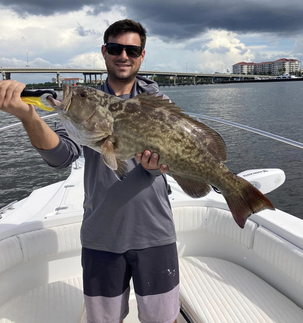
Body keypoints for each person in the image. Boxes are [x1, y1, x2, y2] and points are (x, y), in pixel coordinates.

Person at [0, 19, 179, 323]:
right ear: (104, 51)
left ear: (142, 55)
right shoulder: (83, 103)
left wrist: (157, 167)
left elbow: (175, 155)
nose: (124, 55)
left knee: (164, 319)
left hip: (155, 233)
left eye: (132, 49)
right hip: (102, 237)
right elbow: (61, 156)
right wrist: (29, 117)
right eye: (115, 48)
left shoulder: (159, 104)